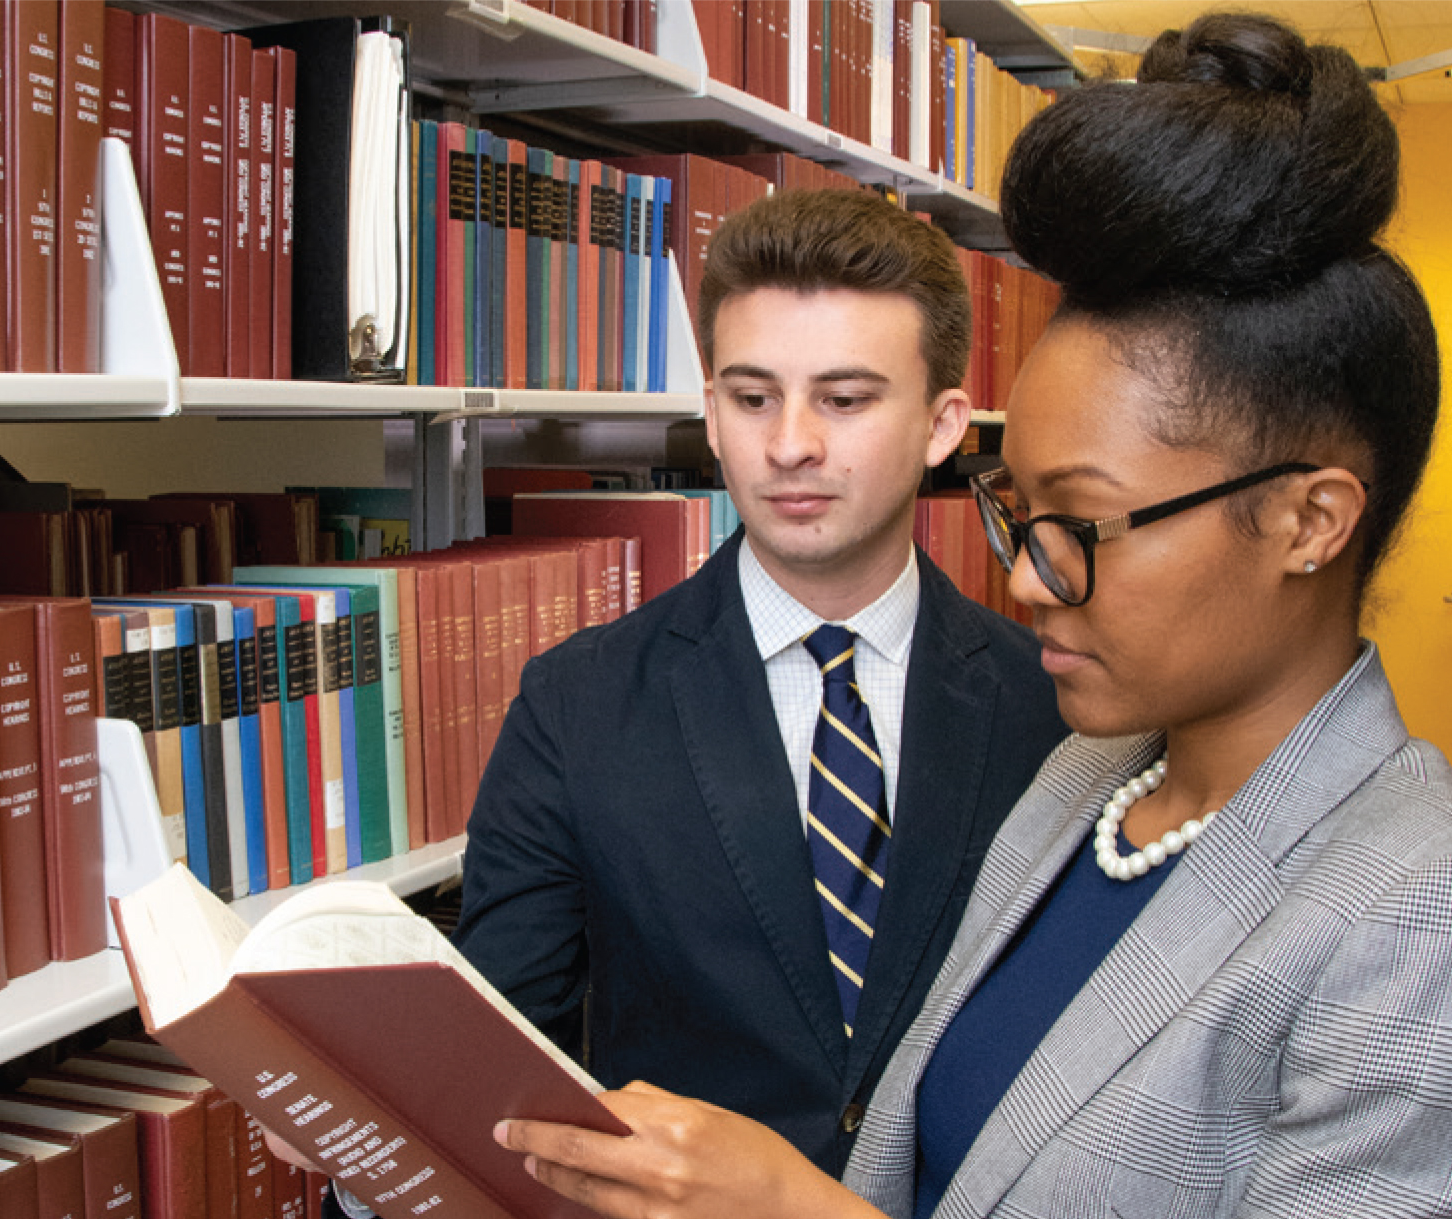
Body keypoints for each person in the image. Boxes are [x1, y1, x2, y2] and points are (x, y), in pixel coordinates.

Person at [494, 12, 1452, 1219]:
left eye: (1082, 527)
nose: (1027, 581)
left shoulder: (1414, 915)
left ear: (1310, 521)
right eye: (1021, 513)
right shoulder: (1087, 786)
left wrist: (793, 1208)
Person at [452, 185, 1069, 1177]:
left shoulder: (1053, 708)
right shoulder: (577, 707)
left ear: (943, 423)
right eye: (751, 397)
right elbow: (500, 1061)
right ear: (711, 410)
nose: (789, 444)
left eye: (844, 398)